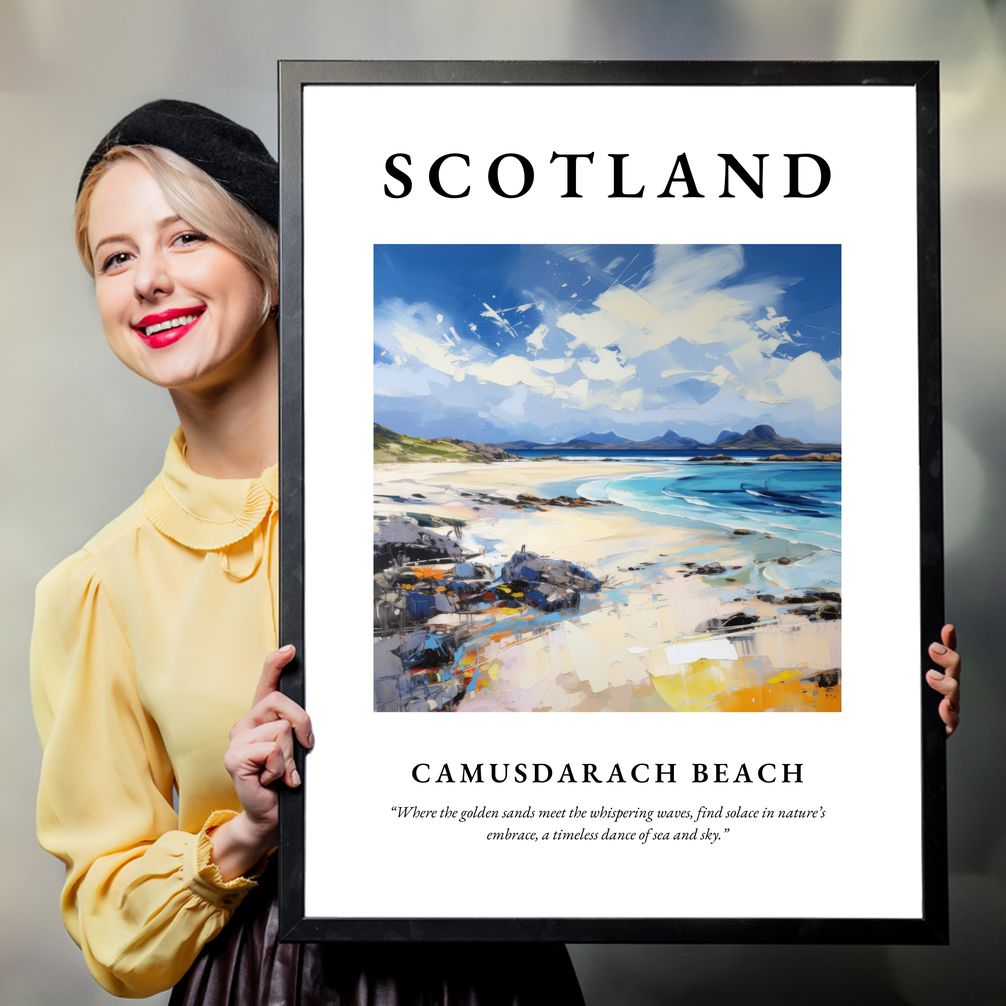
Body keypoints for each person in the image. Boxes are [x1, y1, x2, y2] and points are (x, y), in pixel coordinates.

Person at [30, 100, 586, 1004]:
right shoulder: (97, 586)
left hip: (494, 973)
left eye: (185, 238)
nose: (148, 281)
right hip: (263, 981)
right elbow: (110, 924)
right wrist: (245, 832)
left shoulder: (438, 516)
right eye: (116, 257)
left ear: (273, 264)